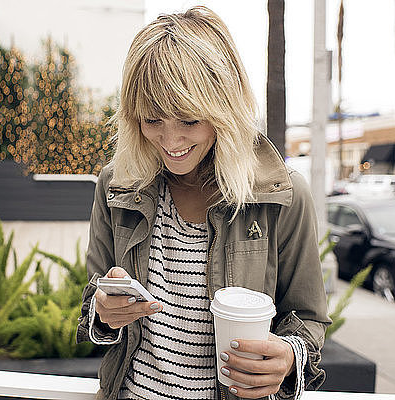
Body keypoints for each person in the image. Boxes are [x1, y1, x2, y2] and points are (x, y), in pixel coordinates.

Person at [77, 6, 331, 400]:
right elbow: (92, 302)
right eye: (152, 120)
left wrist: (288, 357)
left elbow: (309, 320)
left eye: (189, 120)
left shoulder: (283, 196)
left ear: (224, 109)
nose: (170, 141)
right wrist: (104, 312)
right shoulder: (117, 185)